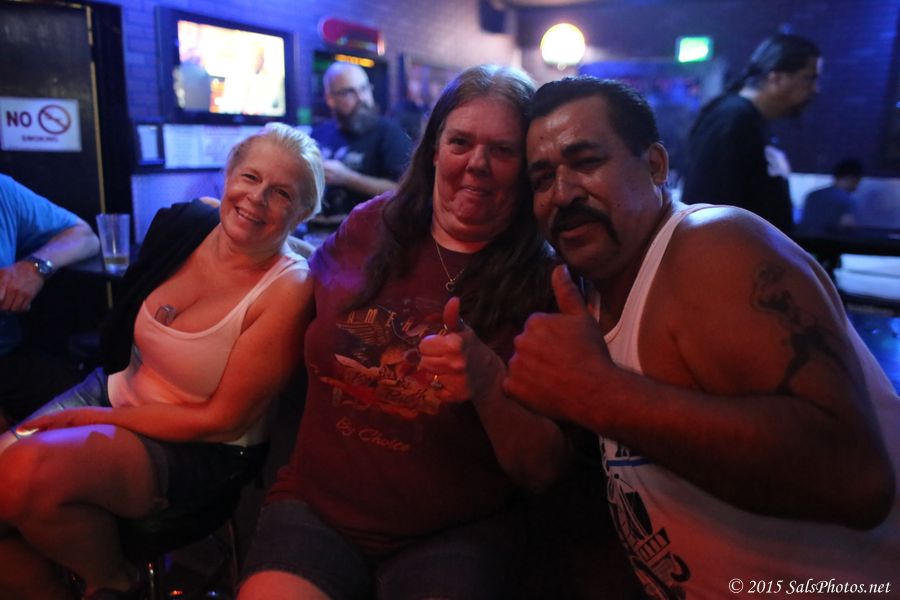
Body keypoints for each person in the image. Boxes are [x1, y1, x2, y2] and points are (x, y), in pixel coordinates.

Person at [508, 75, 899, 598]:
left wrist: (596, 393)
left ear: (655, 166)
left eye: (586, 161)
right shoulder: (590, 290)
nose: (563, 193)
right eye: (541, 179)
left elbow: (856, 479)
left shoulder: (712, 247)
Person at [238, 65, 569, 600]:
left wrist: (487, 382)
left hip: (455, 533)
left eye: (503, 150)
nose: (477, 163)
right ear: (435, 149)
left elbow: (542, 470)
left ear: (527, 167)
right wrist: (240, 241)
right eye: (460, 142)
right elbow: (300, 284)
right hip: (317, 509)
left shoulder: (547, 280)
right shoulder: (370, 224)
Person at [0, 122, 324, 600]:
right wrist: (100, 407)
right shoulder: (189, 223)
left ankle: (116, 581)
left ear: (302, 213)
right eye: (250, 177)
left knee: (19, 478)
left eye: (281, 193)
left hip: (201, 444)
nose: (256, 198)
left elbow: (221, 420)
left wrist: (91, 418)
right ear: (229, 176)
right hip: (113, 392)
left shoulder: (289, 288)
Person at [681, 33, 822, 235]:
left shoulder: (752, 120)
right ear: (776, 77)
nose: (815, 90)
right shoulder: (732, 118)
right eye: (809, 78)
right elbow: (708, 208)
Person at [0, 174, 100, 429]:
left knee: (95, 412)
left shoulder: (3, 191)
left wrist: (34, 267)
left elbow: (85, 236)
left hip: (8, 358)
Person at [309, 62, 412, 227]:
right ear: (330, 99)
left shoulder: (390, 134)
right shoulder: (319, 134)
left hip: (368, 234)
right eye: (349, 92)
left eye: (364, 88)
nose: (361, 98)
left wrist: (346, 178)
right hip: (317, 230)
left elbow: (405, 192)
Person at [796, 157, 864, 236]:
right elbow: (848, 226)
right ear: (851, 178)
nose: (858, 185)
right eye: (858, 181)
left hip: (805, 240)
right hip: (832, 242)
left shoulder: (812, 195)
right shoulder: (847, 201)